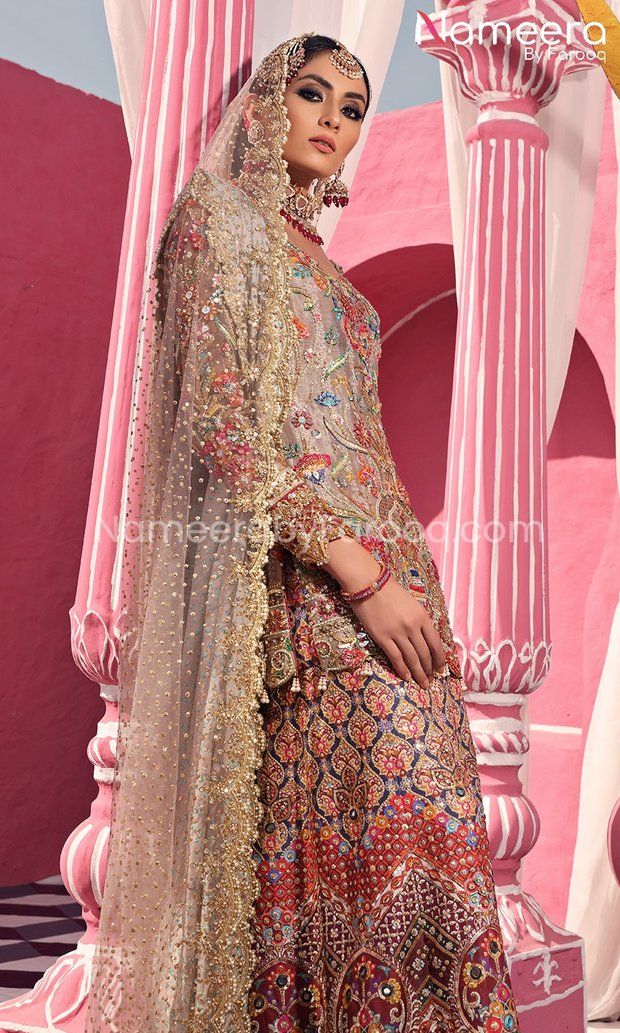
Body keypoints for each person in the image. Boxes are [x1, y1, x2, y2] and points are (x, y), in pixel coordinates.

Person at [84, 31, 521, 1033]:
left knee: (424, 832)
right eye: (312, 92)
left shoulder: (315, 263)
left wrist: (395, 569)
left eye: (353, 106)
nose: (332, 118)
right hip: (318, 587)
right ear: (265, 102)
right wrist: (357, 570)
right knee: (361, 834)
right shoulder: (211, 226)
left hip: (390, 572)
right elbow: (221, 427)